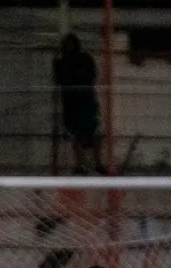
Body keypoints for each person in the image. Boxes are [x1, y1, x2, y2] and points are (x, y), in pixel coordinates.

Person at [53, 33, 105, 175]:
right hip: (72, 103)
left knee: (93, 132)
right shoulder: (62, 61)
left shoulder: (84, 58)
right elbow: (60, 79)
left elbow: (90, 75)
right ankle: (81, 165)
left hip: (85, 101)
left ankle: (97, 163)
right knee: (76, 133)